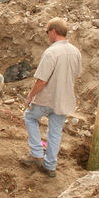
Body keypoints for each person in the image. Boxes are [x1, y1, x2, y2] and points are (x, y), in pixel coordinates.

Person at [21, 18, 81, 178]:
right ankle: (50, 165)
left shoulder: (51, 52)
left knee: (29, 117)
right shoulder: (75, 52)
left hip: (47, 98)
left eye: (47, 32)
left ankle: (36, 153)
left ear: (53, 31)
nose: (47, 35)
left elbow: (41, 81)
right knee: (55, 132)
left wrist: (29, 97)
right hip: (64, 99)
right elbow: (75, 74)